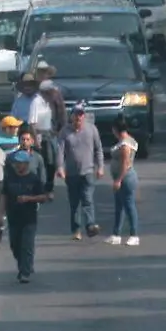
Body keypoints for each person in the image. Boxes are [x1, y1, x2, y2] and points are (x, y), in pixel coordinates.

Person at [4, 148, 52, 284]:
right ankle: (24, 265)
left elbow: (43, 197)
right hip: (13, 217)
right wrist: (0, 214)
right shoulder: (10, 178)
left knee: (27, 245)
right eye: (16, 163)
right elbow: (4, 195)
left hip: (29, 218)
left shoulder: (34, 179)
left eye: (21, 163)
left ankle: (25, 271)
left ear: (26, 164)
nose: (18, 165)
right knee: (15, 245)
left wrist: (28, 199)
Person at [59, 103, 106, 241]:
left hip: (88, 171)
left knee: (87, 198)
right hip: (72, 173)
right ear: (71, 116)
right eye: (76, 114)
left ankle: (90, 225)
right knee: (74, 203)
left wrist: (101, 167)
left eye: (81, 114)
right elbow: (60, 152)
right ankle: (76, 230)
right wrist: (60, 167)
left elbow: (99, 149)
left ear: (84, 116)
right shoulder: (65, 132)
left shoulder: (92, 130)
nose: (78, 117)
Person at [108, 132, 141, 246]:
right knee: (119, 207)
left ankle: (134, 235)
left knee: (129, 205)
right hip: (120, 177)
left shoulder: (125, 145)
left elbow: (125, 163)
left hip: (126, 179)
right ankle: (116, 234)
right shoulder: (123, 142)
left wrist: (119, 180)